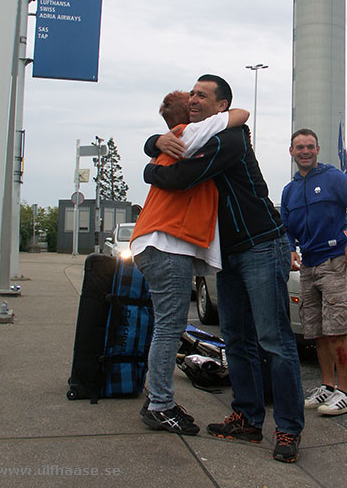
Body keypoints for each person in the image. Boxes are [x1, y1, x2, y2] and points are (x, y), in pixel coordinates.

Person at [142, 75, 305, 464]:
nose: (194, 99)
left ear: (222, 106)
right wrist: (153, 142)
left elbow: (181, 177)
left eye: (203, 95)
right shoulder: (200, 135)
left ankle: (287, 428)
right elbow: (171, 137)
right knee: (236, 339)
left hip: (262, 245)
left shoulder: (229, 139)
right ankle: (247, 419)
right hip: (228, 254)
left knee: (274, 340)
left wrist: (149, 169)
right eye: (192, 94)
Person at [130, 89, 249, 436]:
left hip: (155, 243)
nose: (198, 103)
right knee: (169, 327)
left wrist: (155, 142)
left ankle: (158, 397)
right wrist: (165, 137)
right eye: (192, 99)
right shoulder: (190, 134)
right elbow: (240, 114)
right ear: (191, 116)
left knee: (166, 326)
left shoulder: (172, 144)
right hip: (167, 245)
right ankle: (160, 405)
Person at [280, 128, 347, 416]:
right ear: (291, 152)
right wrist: (290, 248)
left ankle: (345, 393)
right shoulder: (290, 190)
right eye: (299, 147)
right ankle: (327, 386)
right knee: (318, 332)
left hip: (334, 263)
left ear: (318, 150)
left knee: (337, 331)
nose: (305, 151)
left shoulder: (333, 178)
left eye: (310, 146)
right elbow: (285, 228)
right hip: (308, 265)